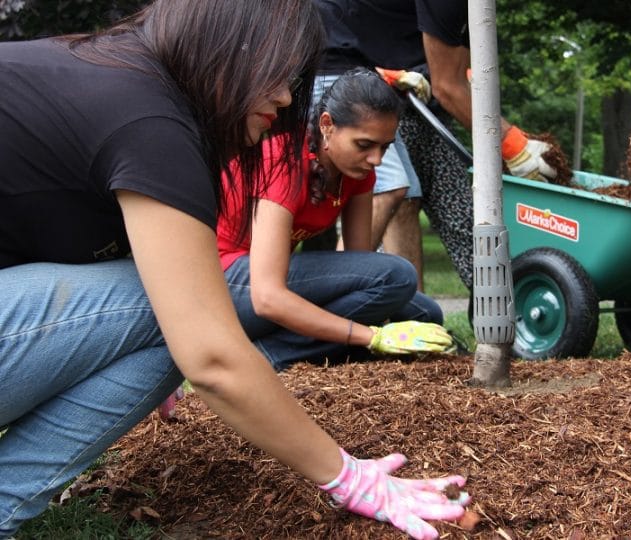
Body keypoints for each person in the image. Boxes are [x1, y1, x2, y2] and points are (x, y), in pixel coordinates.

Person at [0, 1, 470, 538]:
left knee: (175, 328)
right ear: (228, 44)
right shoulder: (150, 118)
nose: (286, 96)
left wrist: (128, 345)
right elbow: (214, 354)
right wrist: (350, 479)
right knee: (188, 316)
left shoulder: (110, 78)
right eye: (277, 71)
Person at [312, 0, 558, 293]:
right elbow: (447, 87)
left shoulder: (475, 10)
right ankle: (359, 307)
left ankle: (427, 311)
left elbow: (458, 73)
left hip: (406, 89)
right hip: (358, 80)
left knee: (432, 202)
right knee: (394, 193)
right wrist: (513, 147)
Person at [216, 67, 452, 372]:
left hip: (268, 287)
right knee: (398, 277)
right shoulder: (284, 162)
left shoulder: (357, 172)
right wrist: (370, 336)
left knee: (425, 313)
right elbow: (267, 297)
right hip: (228, 286)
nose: (376, 159)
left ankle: (328, 350)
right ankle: (268, 354)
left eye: (385, 147)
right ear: (327, 125)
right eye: (364, 145)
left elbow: (359, 263)